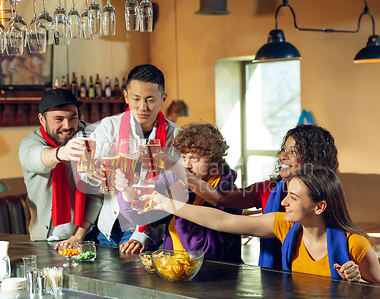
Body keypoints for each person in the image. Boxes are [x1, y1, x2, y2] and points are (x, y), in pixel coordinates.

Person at [149, 168, 380, 285]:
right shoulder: (283, 226)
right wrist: (167, 204)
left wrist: (359, 284)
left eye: (293, 198)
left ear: (319, 207)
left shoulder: (355, 245)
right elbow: (222, 221)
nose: (283, 201)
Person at [155, 124, 339, 269]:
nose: (283, 156)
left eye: (292, 151)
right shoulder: (269, 190)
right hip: (273, 279)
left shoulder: (325, 198)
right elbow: (220, 203)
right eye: (283, 149)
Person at [81, 64, 181, 248]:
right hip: (109, 228)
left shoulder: (176, 136)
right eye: (136, 98)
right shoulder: (109, 126)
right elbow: (88, 171)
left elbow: (174, 191)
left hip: (149, 231)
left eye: (150, 99)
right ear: (126, 96)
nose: (142, 107)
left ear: (163, 98)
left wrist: (141, 235)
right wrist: (92, 172)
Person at [117, 122, 243, 263]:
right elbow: (142, 216)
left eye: (194, 158)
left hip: (217, 278)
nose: (187, 165)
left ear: (215, 160)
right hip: (174, 270)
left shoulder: (228, 194)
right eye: (184, 157)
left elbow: (207, 253)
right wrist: (128, 193)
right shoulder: (174, 179)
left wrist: (178, 205)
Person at [18, 88, 102, 242]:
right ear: (42, 120)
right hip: (45, 238)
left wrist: (78, 237)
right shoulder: (30, 143)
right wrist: (61, 153)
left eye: (72, 117)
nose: (67, 125)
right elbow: (36, 157)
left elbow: (96, 195)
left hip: (87, 236)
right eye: (58, 119)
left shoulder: (91, 136)